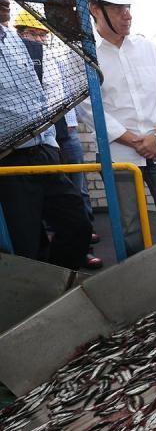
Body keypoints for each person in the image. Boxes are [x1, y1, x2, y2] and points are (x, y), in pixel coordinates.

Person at [79, 0, 156, 256]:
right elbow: (89, 110)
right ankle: (140, 287)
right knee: (129, 230)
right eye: (118, 8)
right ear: (95, 9)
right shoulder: (85, 57)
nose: (127, 14)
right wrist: (135, 141)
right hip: (120, 158)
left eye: (127, 7)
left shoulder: (147, 48)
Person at [0, 19, 92, 270]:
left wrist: (50, 142)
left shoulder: (17, 43)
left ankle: (59, 281)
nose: (6, 2)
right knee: (25, 242)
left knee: (77, 224)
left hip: (43, 152)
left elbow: (41, 96)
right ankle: (37, 298)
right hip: (8, 160)